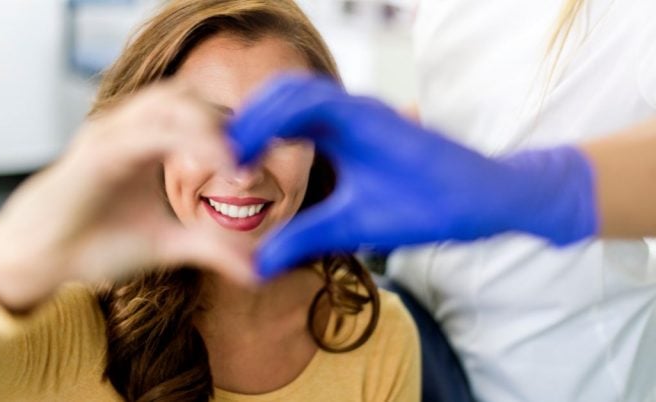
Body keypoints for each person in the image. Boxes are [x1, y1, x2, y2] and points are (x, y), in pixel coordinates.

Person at [0, 1, 420, 401]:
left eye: (283, 129)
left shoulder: (371, 331)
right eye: (210, 125)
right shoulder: (70, 321)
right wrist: (13, 256)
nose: (243, 169)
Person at [227, 0, 656, 401]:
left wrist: (520, 189)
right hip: (426, 317)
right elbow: (486, 107)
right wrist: (379, 142)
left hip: (551, 368)